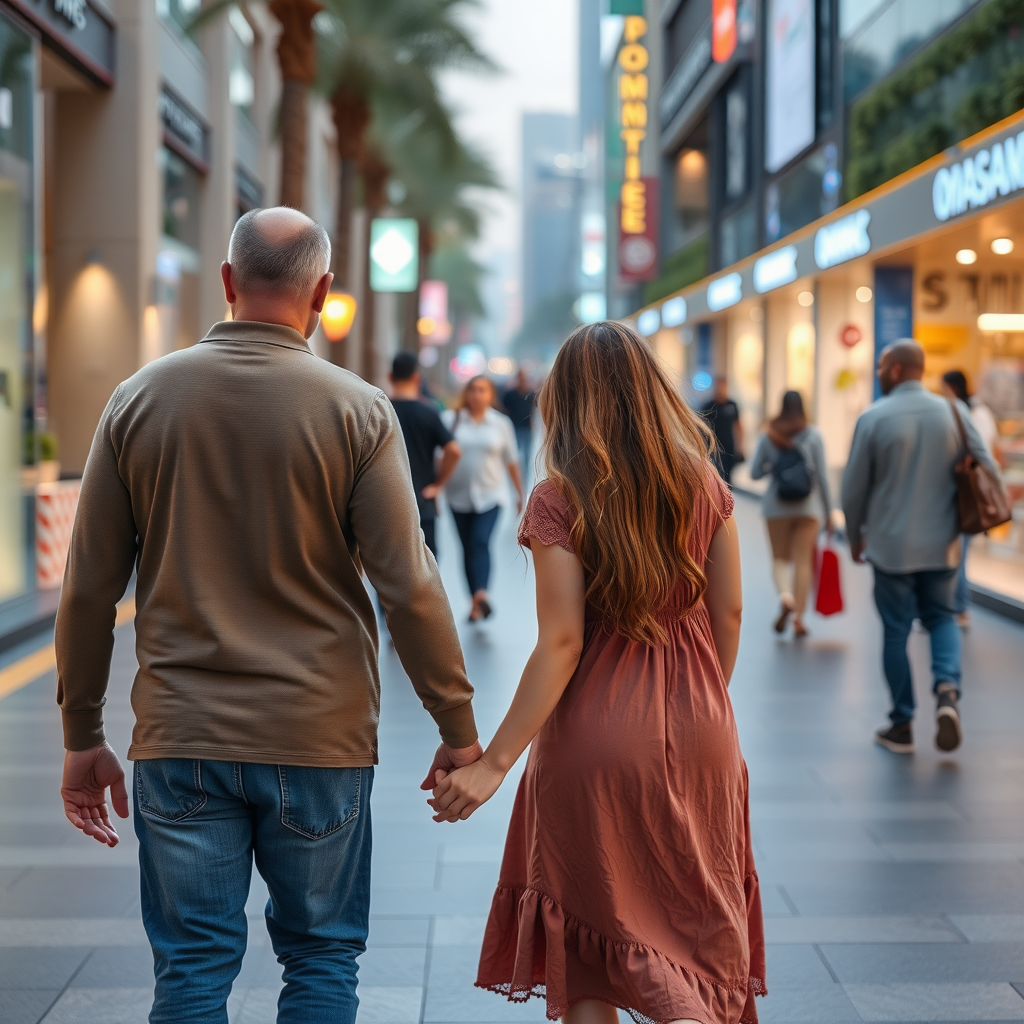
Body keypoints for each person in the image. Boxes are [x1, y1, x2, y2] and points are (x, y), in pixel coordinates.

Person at [54, 207, 481, 1024]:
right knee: (321, 959)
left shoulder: (138, 401)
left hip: (181, 738)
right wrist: (457, 728)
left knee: (189, 971)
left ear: (226, 282)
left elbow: (86, 588)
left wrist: (82, 738)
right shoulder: (358, 412)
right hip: (319, 736)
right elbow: (409, 583)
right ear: (321, 292)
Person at [426, 322, 766, 1024]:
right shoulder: (706, 484)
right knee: (701, 925)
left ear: (567, 401)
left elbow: (561, 642)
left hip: (594, 739)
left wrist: (492, 763)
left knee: (586, 956)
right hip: (703, 728)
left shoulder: (559, 498)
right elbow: (728, 614)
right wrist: (699, 695)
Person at [842, 340, 997, 754]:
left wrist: (855, 535)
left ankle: (902, 724)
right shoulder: (954, 412)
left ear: (894, 371)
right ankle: (947, 690)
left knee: (896, 631)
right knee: (942, 617)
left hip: (890, 547)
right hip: (943, 544)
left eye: (880, 366)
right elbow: (990, 466)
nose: (878, 372)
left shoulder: (873, 418)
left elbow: (854, 489)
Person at [749, 390, 832, 638]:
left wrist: (771, 467)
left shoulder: (769, 435)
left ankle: (785, 596)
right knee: (803, 561)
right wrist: (829, 513)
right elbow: (823, 478)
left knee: (780, 559)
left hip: (776, 507)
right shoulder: (814, 434)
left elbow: (754, 473)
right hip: (809, 508)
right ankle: (798, 617)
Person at [442, 376, 524, 622]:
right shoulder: (451, 421)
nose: (477, 395)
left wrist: (519, 493)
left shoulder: (501, 424)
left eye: (482, 390)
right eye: (473, 390)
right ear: (466, 394)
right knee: (466, 548)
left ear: (491, 395)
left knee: (479, 542)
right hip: (457, 496)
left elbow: (511, 461)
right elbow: (440, 457)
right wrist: (436, 487)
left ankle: (481, 593)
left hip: (491, 496)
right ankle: (475, 603)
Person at [939, 369, 1000, 629]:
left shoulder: (961, 412)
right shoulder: (974, 412)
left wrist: (998, 490)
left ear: (951, 387)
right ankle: (954, 608)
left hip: (963, 492)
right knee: (958, 553)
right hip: (964, 491)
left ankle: (958, 608)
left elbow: (983, 452)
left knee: (958, 554)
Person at [389, 351, 461, 558]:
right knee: (426, 564)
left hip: (387, 502)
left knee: (388, 568)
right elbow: (453, 450)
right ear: (416, 378)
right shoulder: (428, 412)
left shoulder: (380, 409)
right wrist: (438, 485)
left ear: (390, 377)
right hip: (422, 501)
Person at [699, 376, 744, 484]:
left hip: (729, 446)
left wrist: (741, 446)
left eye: (723, 386)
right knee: (717, 475)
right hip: (714, 448)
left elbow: (738, 426)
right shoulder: (708, 405)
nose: (721, 389)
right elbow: (702, 428)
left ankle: (727, 498)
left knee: (729, 476)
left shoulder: (732, 405)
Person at [502, 367, 536, 483]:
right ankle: (513, 476)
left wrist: (532, 422)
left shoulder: (530, 393)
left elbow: (532, 410)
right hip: (514, 426)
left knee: (527, 454)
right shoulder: (510, 394)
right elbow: (505, 409)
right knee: (513, 454)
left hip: (526, 427)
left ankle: (525, 478)